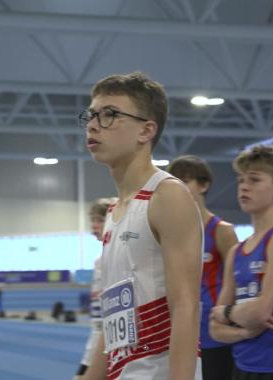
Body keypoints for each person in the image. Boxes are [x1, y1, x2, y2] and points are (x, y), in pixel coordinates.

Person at [80, 72, 202, 380]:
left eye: (110, 115)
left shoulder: (167, 196)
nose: (93, 125)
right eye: (92, 115)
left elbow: (186, 308)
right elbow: (113, 321)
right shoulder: (114, 211)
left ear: (146, 131)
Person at [210, 145, 273, 379]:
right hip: (243, 366)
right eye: (241, 180)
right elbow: (214, 329)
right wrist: (244, 332)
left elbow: (262, 311)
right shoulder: (236, 251)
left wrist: (227, 312)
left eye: (254, 180)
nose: (244, 186)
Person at [168, 155, 238, 380]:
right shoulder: (169, 233)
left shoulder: (222, 231)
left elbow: (238, 281)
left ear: (204, 185)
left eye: (185, 181)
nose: (179, 188)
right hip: (179, 333)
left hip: (213, 337)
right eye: (175, 182)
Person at [75, 197, 117, 380]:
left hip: (111, 343)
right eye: (92, 220)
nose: (94, 225)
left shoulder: (115, 259)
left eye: (100, 220)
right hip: (98, 339)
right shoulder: (100, 261)